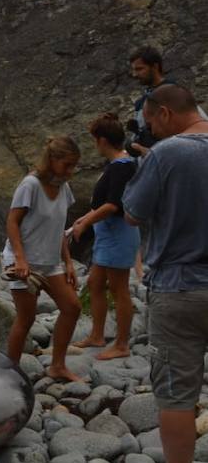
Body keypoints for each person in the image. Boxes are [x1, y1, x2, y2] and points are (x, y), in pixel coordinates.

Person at [123, 83, 208, 463]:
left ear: (165, 114)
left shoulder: (168, 153)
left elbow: (134, 211)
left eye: (150, 121)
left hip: (178, 287)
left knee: (176, 394)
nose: (150, 130)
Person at [1, 136, 82, 382]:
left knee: (72, 307)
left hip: (50, 261)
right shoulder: (30, 185)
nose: (71, 171)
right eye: (67, 165)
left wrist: (68, 263)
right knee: (26, 319)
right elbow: (12, 222)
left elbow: (59, 229)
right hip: (23, 262)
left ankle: (57, 366)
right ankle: (9, 373)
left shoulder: (63, 187)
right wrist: (20, 259)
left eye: (73, 165)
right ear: (53, 160)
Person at [70, 113, 141, 360]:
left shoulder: (122, 166)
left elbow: (113, 205)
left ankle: (122, 344)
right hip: (108, 234)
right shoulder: (116, 165)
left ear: (101, 140)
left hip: (119, 233)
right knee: (95, 283)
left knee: (119, 288)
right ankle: (97, 335)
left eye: (94, 140)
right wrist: (84, 218)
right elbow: (103, 202)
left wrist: (86, 221)